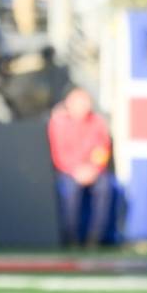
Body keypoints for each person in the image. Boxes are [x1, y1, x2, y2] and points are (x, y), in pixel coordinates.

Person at [48, 87, 113, 247]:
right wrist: (75, 170)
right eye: (77, 102)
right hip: (70, 172)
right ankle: (71, 239)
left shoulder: (97, 122)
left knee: (105, 187)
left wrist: (93, 169)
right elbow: (60, 153)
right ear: (68, 104)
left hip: (93, 171)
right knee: (69, 190)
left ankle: (95, 239)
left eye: (85, 102)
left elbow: (102, 149)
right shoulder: (59, 123)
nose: (82, 106)